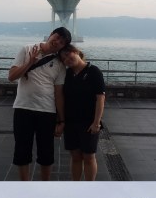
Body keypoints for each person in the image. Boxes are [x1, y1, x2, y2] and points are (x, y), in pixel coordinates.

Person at [8, 27, 70, 181]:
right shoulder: (27, 49)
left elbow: (59, 93)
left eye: (62, 42)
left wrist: (61, 120)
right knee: (22, 150)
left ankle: (45, 183)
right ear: (50, 35)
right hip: (23, 108)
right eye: (57, 37)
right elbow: (11, 76)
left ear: (63, 46)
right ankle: (25, 184)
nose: (57, 42)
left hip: (47, 111)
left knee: (46, 152)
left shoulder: (60, 64)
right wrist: (30, 63)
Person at [59, 45, 106, 181]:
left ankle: (89, 185)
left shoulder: (93, 71)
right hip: (71, 122)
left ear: (76, 52)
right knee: (75, 156)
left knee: (88, 156)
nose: (67, 59)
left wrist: (96, 122)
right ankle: (76, 185)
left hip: (88, 122)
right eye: (64, 59)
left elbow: (100, 98)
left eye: (68, 54)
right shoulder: (67, 74)